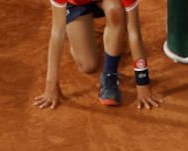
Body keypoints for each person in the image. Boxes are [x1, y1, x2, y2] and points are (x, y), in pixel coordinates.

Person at [34, 0, 162, 109]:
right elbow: (57, 32)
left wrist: (142, 83)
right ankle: (87, 34)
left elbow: (134, 32)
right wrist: (51, 86)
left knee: (115, 11)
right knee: (88, 65)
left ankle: (109, 75)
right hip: (76, 5)